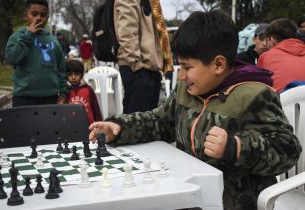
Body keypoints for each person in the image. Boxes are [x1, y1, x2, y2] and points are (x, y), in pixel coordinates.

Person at [89, 10, 301, 210]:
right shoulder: (185, 90)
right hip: (189, 196)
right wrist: (120, 127)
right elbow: (159, 122)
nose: (180, 76)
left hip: (231, 204)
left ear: (218, 64)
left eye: (187, 67)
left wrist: (236, 147)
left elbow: (287, 150)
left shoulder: (254, 96)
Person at [114, 0, 173, 114]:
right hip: (139, 67)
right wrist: (136, 65)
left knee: (148, 122)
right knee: (135, 123)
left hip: (149, 66)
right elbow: (126, 31)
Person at [5, 0, 68, 107]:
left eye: (43, 15)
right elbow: (12, 59)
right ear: (25, 16)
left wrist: (63, 93)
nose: (38, 18)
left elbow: (61, 70)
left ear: (47, 17)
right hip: (23, 98)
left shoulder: (53, 41)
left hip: (51, 98)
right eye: (34, 14)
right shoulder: (17, 37)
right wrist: (28, 35)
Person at [258, 18, 305, 92]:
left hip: (282, 101)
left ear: (271, 39)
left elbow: (259, 88)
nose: (265, 45)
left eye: (266, 41)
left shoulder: (266, 56)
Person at [66, 59, 102, 125]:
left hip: (89, 126)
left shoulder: (88, 90)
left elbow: (96, 109)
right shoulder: (65, 91)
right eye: (70, 74)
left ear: (82, 74)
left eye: (77, 74)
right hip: (70, 126)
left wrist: (100, 124)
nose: (73, 77)